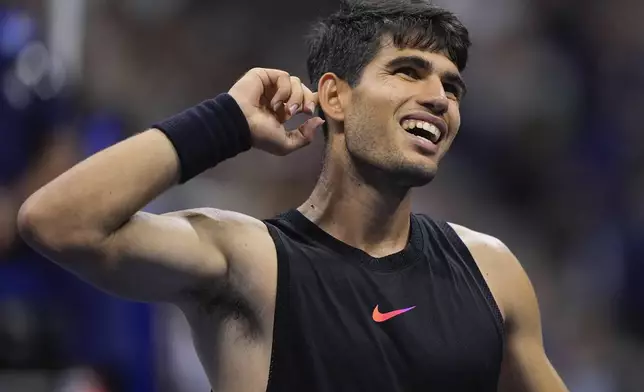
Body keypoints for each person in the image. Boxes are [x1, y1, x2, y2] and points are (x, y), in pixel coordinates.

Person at [17, 1, 569, 391]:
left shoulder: (491, 272)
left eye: (451, 87)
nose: (439, 99)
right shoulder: (253, 263)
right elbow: (57, 221)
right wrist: (225, 123)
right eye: (409, 72)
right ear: (334, 96)